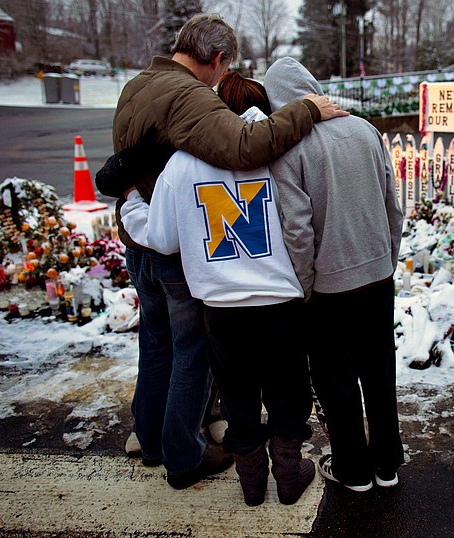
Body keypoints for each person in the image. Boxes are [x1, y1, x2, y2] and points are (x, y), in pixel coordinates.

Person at [96, 13, 347, 491]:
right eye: (223, 69)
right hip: (179, 247)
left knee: (156, 348)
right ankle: (184, 454)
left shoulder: (138, 85)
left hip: (145, 239)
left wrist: (127, 205)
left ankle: (150, 438)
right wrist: (309, 109)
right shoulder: (188, 95)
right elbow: (244, 147)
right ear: (217, 60)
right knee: (193, 357)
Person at [113, 72, 316, 506]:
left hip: (221, 306)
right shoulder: (278, 151)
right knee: (287, 392)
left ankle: (251, 483)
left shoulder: (182, 164)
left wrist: (131, 204)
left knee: (237, 395)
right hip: (279, 300)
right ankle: (288, 473)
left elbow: (163, 238)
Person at [264, 57, 405, 492]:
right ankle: (387, 463)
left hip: (329, 284)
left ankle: (353, 469)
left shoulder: (290, 149)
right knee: (380, 371)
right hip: (378, 274)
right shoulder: (364, 130)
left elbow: (297, 229)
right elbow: (391, 205)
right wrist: (388, 257)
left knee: (336, 380)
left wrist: (305, 286)